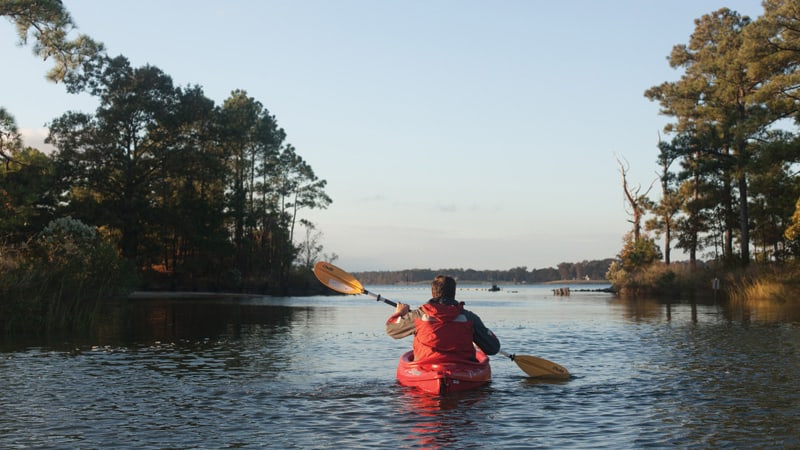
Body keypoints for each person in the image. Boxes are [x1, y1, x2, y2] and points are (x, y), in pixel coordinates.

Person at [386, 275, 501, 362]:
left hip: (427, 368)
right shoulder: (469, 318)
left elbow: (391, 330)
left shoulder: (418, 316)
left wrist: (399, 313)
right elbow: (493, 348)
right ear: (454, 293)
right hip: (462, 369)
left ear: (433, 292)